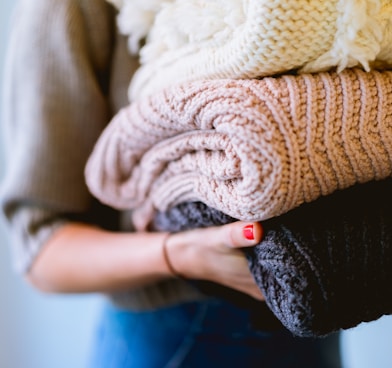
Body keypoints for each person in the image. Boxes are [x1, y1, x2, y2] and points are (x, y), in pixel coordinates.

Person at [0, 0, 341, 367]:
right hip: (180, 333)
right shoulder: (67, 8)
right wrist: (178, 254)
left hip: (316, 312)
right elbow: (41, 252)